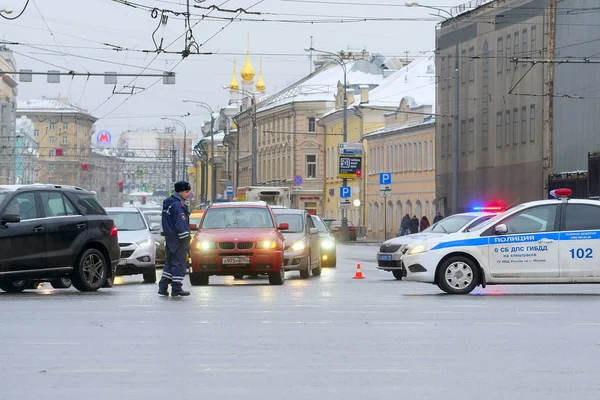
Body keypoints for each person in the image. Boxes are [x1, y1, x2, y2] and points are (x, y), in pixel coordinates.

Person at [158, 181, 192, 297]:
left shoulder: (169, 203)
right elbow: (181, 223)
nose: (189, 194)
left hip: (170, 237)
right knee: (179, 262)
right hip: (178, 239)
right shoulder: (178, 205)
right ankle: (177, 287)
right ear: (180, 192)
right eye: (187, 192)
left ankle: (163, 286)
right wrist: (186, 238)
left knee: (170, 262)